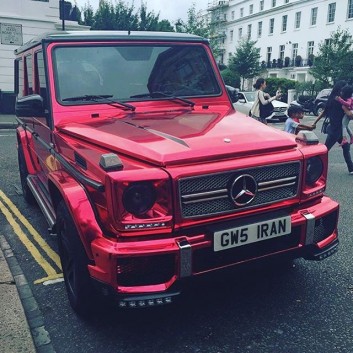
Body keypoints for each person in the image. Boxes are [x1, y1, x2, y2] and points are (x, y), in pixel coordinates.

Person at [312, 80, 353, 174]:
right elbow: (350, 115)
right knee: (325, 149)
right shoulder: (341, 102)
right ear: (340, 89)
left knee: (345, 148)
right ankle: (313, 165)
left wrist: (314, 122)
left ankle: (351, 168)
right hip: (336, 130)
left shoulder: (332, 99)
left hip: (338, 130)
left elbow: (324, 112)